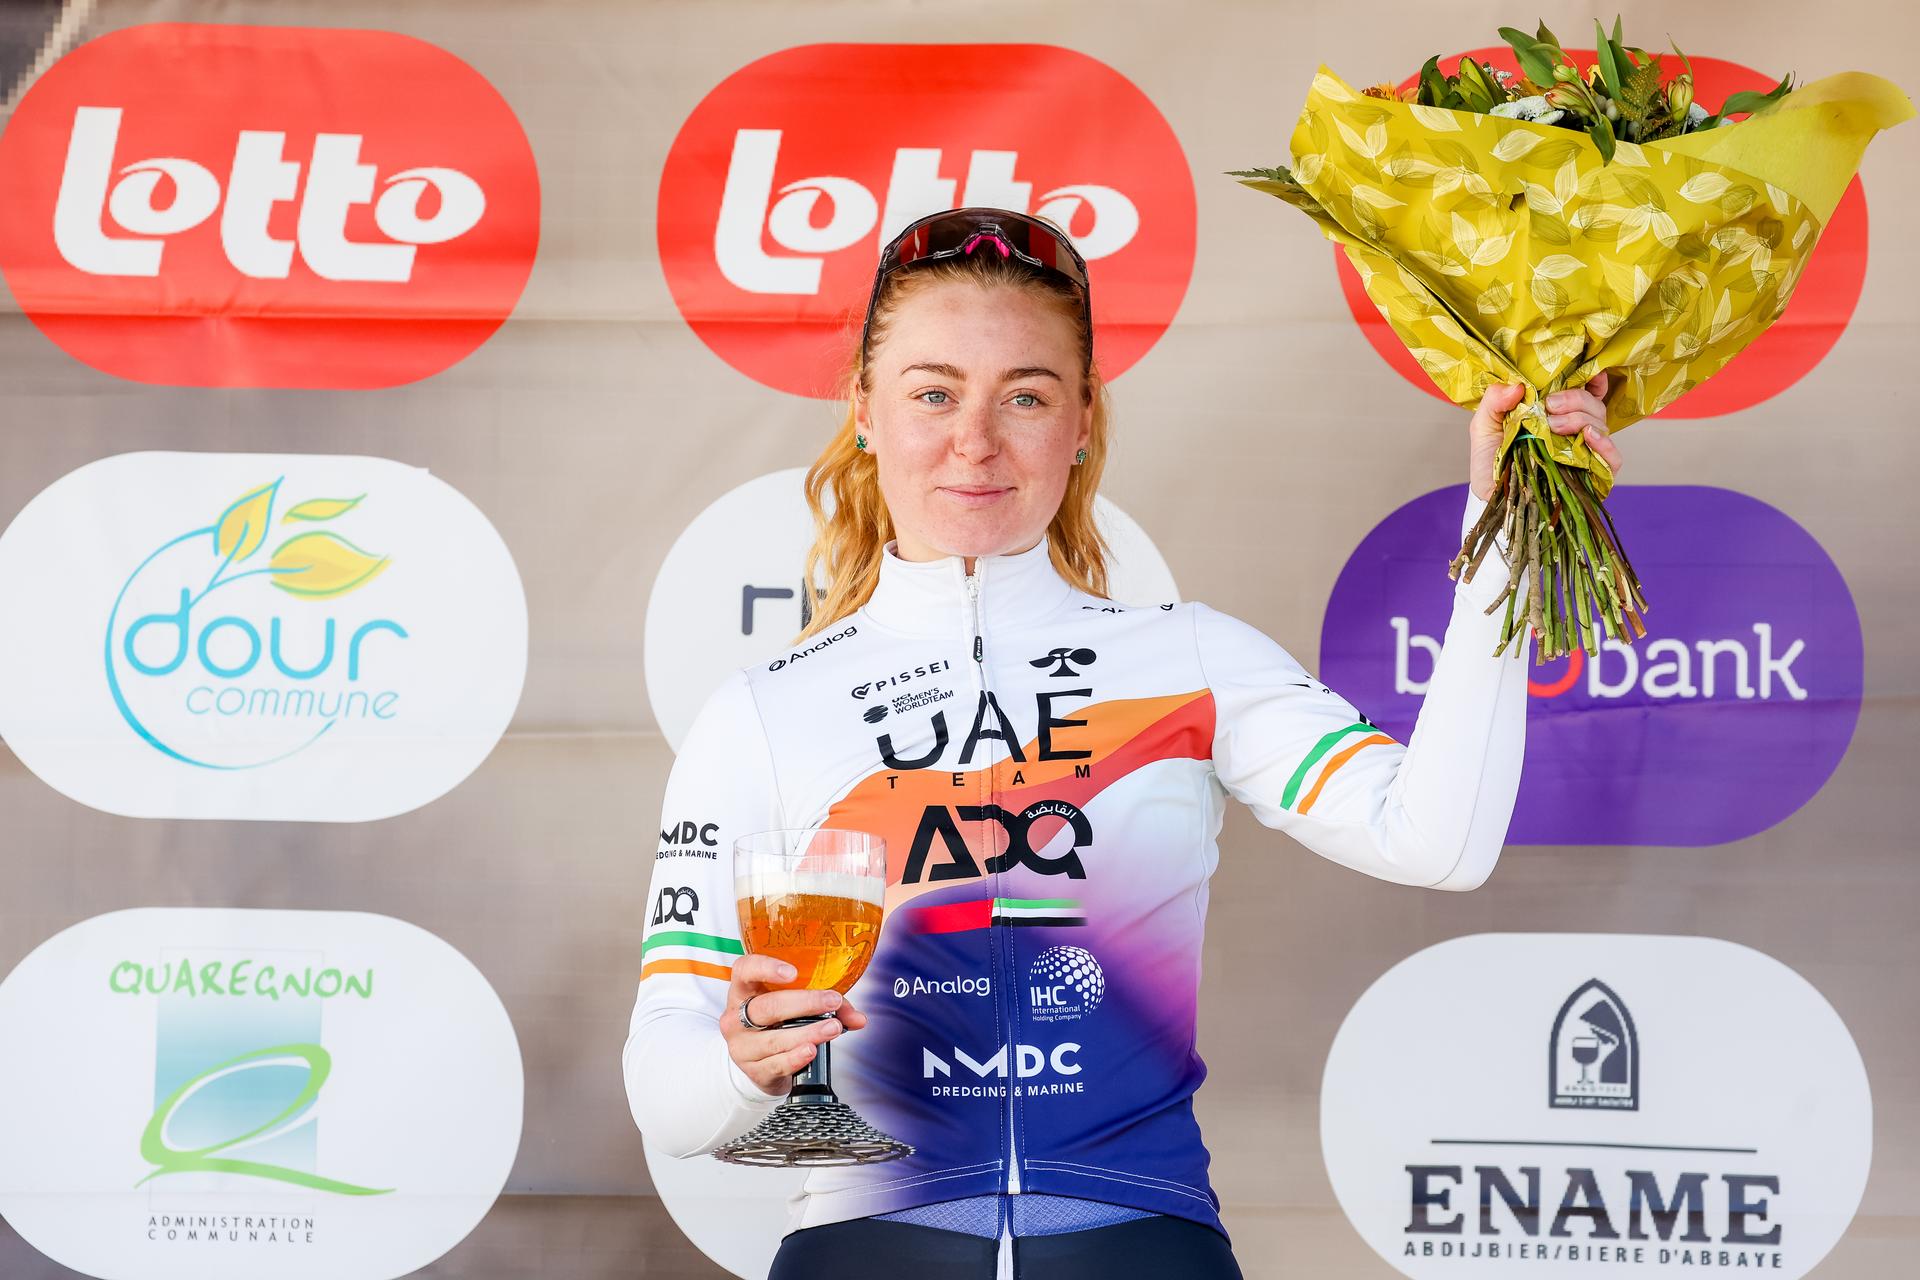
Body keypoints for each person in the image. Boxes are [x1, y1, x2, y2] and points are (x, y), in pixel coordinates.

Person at [623, 207, 1623, 1279]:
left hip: (1140, 1234)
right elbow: (666, 1090)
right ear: (862, 411)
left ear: (1084, 418)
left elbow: (1440, 841)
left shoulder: (1187, 657)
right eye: (932, 392)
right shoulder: (767, 709)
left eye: (1026, 394)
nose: (975, 439)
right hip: (863, 1238)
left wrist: (1507, 522)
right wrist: (739, 1067)